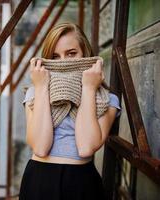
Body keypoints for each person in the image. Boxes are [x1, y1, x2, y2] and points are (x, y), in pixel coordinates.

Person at [19, 22, 121, 200]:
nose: (63, 62)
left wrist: (89, 89)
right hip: (39, 182)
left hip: (82, 183)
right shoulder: (34, 93)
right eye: (55, 57)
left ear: (85, 53)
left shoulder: (106, 99)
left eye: (71, 53)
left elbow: (86, 147)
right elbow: (40, 147)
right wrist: (42, 87)